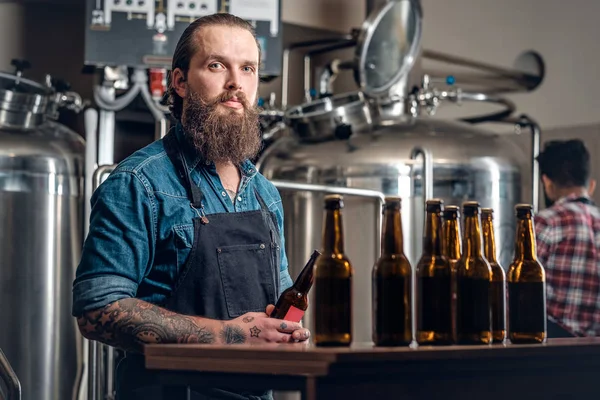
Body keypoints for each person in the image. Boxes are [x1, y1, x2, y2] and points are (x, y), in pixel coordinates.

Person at [72, 13, 310, 400]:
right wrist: (232, 336)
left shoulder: (265, 193)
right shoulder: (139, 183)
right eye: (217, 65)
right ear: (180, 82)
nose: (235, 83)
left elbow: (280, 302)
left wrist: (287, 332)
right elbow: (97, 310)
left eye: (247, 68)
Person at [534, 139, 600, 338]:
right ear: (591, 185)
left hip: (553, 354)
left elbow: (515, 295)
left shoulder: (547, 222)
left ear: (546, 182)